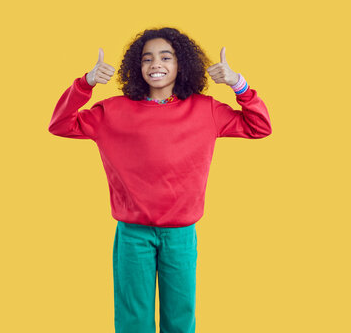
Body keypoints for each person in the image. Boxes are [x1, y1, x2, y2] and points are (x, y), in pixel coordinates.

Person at [48, 27, 272, 333]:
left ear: (181, 66)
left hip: (180, 234)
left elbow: (259, 126)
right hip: (133, 234)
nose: (156, 63)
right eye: (147, 58)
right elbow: (59, 124)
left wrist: (238, 84)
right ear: (137, 68)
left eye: (166, 57)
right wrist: (85, 84)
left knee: (179, 319)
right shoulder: (112, 111)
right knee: (133, 320)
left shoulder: (205, 109)